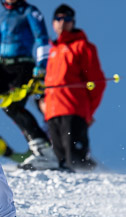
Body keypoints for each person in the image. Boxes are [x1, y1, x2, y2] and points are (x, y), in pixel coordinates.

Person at [0, 0, 60, 170]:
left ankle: (45, 152)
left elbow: (42, 39)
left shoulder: (29, 12)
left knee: (13, 106)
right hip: (1, 67)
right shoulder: (1, 17)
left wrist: (41, 68)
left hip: (23, 67)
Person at [43, 4, 102, 171]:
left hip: (73, 109)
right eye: (59, 18)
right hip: (53, 112)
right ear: (53, 23)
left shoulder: (82, 46)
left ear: (73, 22)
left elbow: (96, 82)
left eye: (67, 19)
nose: (63, 22)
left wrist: (89, 112)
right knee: (58, 159)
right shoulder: (51, 50)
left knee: (75, 159)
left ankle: (85, 185)